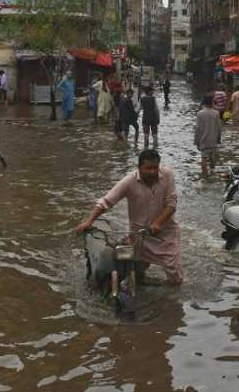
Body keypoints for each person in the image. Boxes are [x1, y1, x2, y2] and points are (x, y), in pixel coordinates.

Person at [76, 149, 182, 286]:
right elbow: (106, 201)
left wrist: (157, 224)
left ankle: (172, 300)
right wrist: (89, 221)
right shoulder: (129, 182)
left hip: (166, 233)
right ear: (139, 168)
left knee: (174, 274)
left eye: (155, 167)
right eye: (148, 168)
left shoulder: (167, 175)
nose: (152, 171)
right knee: (136, 273)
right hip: (140, 235)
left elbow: (171, 204)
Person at [194, 94, 222, 175]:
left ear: (204, 103)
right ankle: (212, 172)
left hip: (203, 140)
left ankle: (205, 176)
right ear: (212, 103)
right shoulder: (216, 113)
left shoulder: (200, 114)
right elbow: (219, 128)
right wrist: (218, 139)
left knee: (204, 158)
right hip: (213, 140)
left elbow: (198, 129)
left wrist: (196, 142)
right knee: (212, 158)